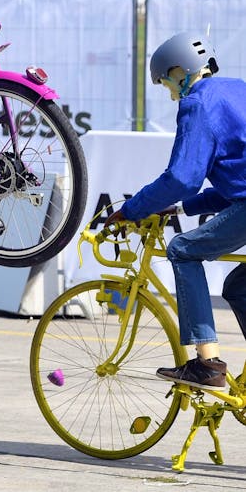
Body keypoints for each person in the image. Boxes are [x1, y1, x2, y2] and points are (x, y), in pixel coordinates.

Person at [106, 32, 246, 391]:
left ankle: (207, 365)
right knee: (238, 287)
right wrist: (180, 208)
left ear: (180, 71)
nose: (170, 93)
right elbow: (234, 185)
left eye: (167, 82)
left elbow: (183, 177)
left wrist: (133, 209)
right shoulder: (238, 90)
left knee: (182, 250)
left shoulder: (197, 104)